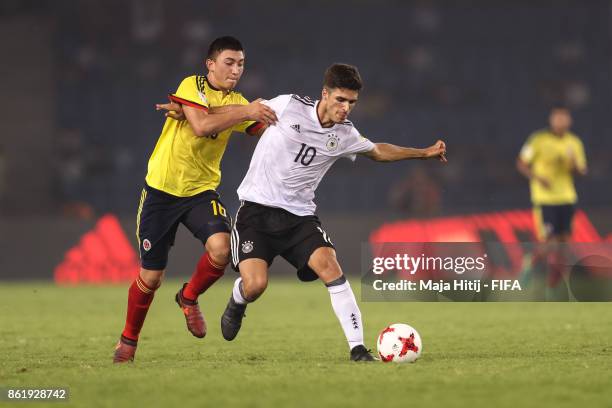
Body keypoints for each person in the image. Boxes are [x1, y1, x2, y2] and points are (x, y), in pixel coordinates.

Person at [219, 63, 447, 361]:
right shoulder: (288, 105)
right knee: (256, 285)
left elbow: (377, 151)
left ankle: (357, 349)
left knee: (331, 267)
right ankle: (238, 299)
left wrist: (423, 152)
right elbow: (244, 112)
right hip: (256, 211)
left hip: (299, 217)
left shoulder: (345, 134)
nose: (345, 108)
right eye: (340, 99)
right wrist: (194, 115)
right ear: (324, 94)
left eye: (351, 102)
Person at [113, 36, 277, 363]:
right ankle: (127, 342)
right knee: (151, 277)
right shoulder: (193, 85)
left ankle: (188, 297)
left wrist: (303, 121)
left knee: (220, 248)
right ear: (210, 64)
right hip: (161, 190)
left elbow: (264, 127)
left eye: (241, 64)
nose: (235, 70)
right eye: (229, 62)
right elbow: (202, 126)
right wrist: (242, 110)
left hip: (201, 191)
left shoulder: (238, 100)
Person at [516, 106, 587, 290]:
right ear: (551, 120)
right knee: (549, 242)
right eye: (557, 118)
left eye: (564, 118)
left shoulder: (574, 142)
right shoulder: (538, 140)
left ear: (569, 121)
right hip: (545, 199)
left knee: (564, 243)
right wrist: (538, 178)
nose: (560, 122)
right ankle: (530, 261)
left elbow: (581, 171)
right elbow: (521, 164)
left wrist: (573, 164)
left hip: (567, 197)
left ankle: (553, 285)